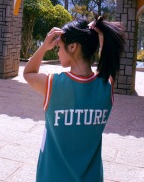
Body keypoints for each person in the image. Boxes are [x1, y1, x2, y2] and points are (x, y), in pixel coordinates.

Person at [23, 16, 126, 182]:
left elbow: (28, 73)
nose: (57, 51)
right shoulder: (106, 85)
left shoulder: (53, 84)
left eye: (59, 47)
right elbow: (109, 59)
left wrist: (43, 47)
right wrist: (98, 35)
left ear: (72, 46)